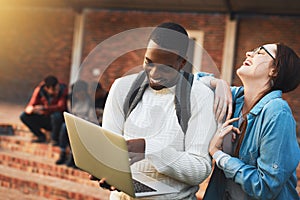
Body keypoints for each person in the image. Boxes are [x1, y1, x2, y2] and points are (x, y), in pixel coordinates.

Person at [89, 22, 233, 200]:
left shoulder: (199, 96)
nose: (154, 73)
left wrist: (149, 148)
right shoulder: (122, 88)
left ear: (181, 63)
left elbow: (199, 169)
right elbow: (110, 148)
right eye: (148, 62)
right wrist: (105, 170)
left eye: (165, 67)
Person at [203, 43, 300, 199]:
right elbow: (192, 82)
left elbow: (265, 187)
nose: (248, 53)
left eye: (260, 52)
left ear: (274, 70)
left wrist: (218, 154)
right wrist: (218, 83)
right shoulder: (234, 98)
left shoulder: (277, 113)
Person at [56, 80, 97, 167]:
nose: (78, 96)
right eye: (76, 94)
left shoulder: (90, 102)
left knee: (75, 131)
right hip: (74, 122)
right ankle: (63, 152)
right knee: (64, 127)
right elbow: (70, 113)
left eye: (80, 93)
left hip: (86, 124)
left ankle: (74, 157)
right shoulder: (71, 100)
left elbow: (92, 118)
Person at [20, 75, 68, 144]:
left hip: (57, 121)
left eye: (58, 89)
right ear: (47, 88)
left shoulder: (63, 89)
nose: (57, 91)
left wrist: (44, 108)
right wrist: (32, 109)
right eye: (54, 90)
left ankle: (54, 139)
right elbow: (31, 105)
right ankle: (40, 136)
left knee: (56, 115)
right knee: (23, 116)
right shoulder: (39, 90)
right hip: (45, 117)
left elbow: (61, 106)